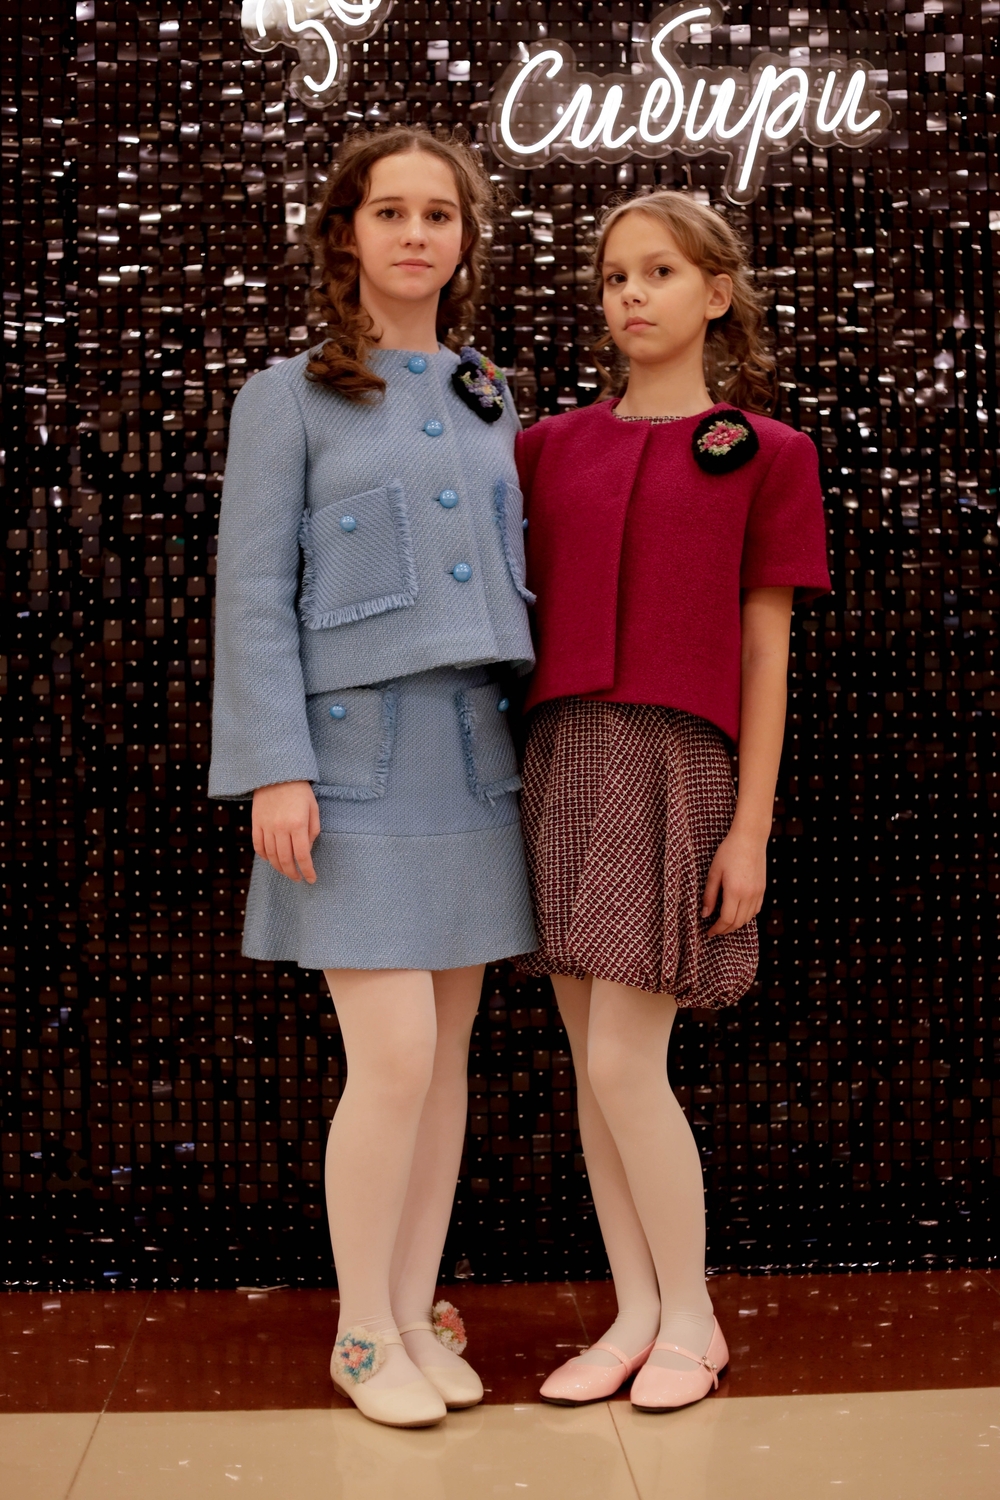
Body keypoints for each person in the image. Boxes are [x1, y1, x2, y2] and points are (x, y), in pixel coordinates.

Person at [207, 127, 537, 1428]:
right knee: (392, 1056)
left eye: (437, 214)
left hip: (476, 762)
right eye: (389, 211)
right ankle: (359, 1332)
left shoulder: (489, 394)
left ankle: (409, 1312)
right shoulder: (285, 397)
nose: (414, 234)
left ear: (464, 238)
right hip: (349, 764)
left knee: (444, 1061)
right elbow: (250, 593)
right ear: (345, 232)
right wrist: (274, 768)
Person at [515, 191, 831, 1412]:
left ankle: (690, 1317)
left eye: (658, 272)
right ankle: (635, 1313)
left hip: (674, 764)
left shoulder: (769, 452)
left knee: (623, 1060)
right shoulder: (546, 447)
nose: (631, 295)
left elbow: (765, 649)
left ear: (716, 293)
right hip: (561, 757)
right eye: (613, 277)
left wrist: (749, 825)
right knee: (592, 1068)